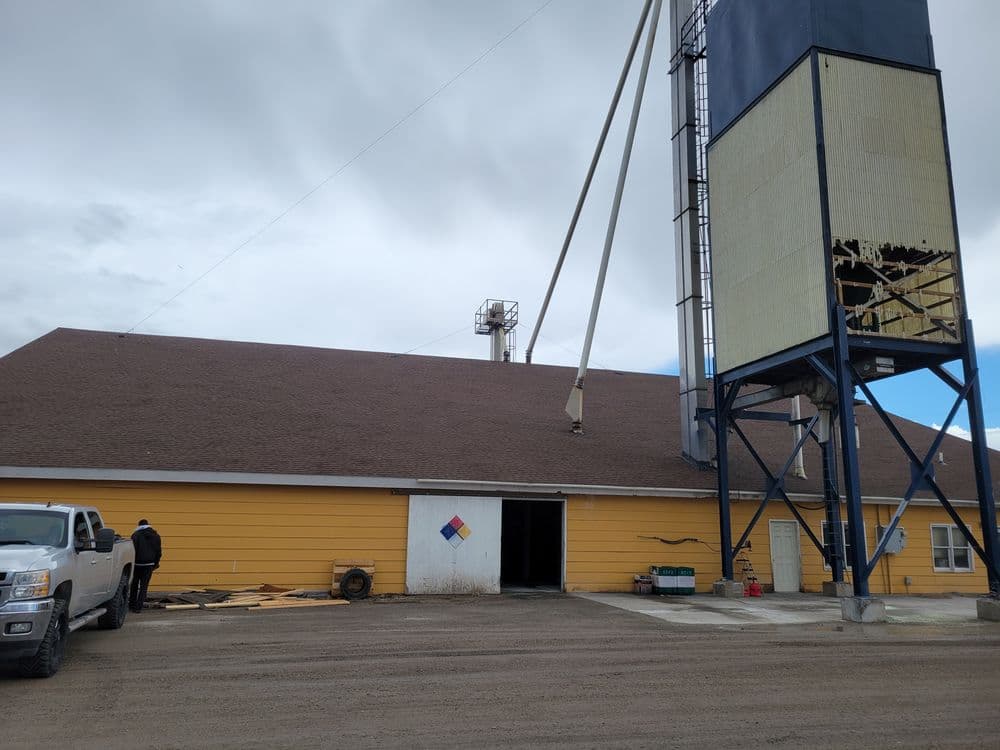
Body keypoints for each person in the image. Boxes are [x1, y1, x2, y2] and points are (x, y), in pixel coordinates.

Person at [130, 519, 162, 613]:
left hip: (137, 564)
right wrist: (156, 563)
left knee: (134, 585)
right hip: (149, 565)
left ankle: (131, 605)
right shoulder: (156, 536)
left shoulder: (135, 535)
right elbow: (158, 552)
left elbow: (132, 551)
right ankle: (138, 607)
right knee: (144, 586)